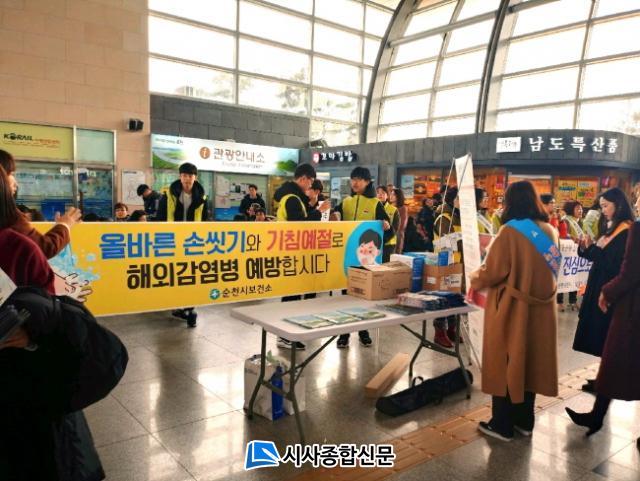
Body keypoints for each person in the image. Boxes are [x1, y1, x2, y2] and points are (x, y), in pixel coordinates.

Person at [0, 167, 105, 480]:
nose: (15, 183)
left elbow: (47, 316)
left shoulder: (16, 244)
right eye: (11, 177)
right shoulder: (17, 241)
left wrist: (30, 333)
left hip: (19, 380)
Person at [470, 180, 560, 442]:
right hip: (541, 312)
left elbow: (491, 272)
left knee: (505, 361)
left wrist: (473, 276)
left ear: (511, 202)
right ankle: (524, 422)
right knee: (529, 363)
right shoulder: (550, 230)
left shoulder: (509, 232)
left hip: (512, 309)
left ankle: (502, 425)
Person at [566, 195, 640, 439]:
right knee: (611, 360)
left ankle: (596, 416)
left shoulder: (632, 229)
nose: (637, 202)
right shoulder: (615, 228)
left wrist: (607, 291)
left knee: (613, 357)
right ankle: (596, 416)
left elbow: (628, 271)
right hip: (623, 298)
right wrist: (588, 248)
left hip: (630, 305)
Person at [571, 188, 634, 394]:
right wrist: (585, 247)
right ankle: (602, 380)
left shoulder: (626, 231)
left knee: (606, 336)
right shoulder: (610, 227)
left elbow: (614, 264)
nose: (603, 210)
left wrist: (593, 250)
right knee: (601, 337)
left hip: (608, 290)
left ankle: (606, 383)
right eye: (601, 206)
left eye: (606, 206)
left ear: (619, 205)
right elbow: (598, 257)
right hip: (598, 285)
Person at [274, 163, 331, 350]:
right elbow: (300, 225)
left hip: (292, 251)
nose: (310, 185)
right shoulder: (292, 198)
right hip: (291, 252)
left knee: (293, 294)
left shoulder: (293, 197)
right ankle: (284, 336)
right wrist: (319, 212)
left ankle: (287, 334)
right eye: (311, 181)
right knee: (290, 295)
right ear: (303, 178)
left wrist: (313, 207)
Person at [333, 166, 392, 349]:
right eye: (353, 179)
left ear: (367, 182)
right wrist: (334, 215)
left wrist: (386, 227)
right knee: (346, 296)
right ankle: (344, 334)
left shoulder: (375, 204)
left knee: (364, 297)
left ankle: (363, 331)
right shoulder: (346, 202)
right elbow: (333, 220)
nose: (355, 182)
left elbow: (388, 232)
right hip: (347, 258)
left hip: (366, 261)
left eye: (359, 179)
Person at [156, 162, 210, 327]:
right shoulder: (169, 194)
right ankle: (177, 303)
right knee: (175, 271)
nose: (187, 179)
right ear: (180, 177)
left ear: (195, 177)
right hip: (172, 239)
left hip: (193, 240)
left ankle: (189, 307)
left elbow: (205, 219)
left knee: (192, 272)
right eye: (184, 175)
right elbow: (160, 217)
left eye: (190, 176)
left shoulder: (202, 196)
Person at [0, 150, 81, 259]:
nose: (16, 183)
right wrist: (64, 225)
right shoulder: (8, 215)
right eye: (12, 174)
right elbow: (43, 249)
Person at [432, 186, 462, 348]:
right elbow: (445, 243)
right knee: (443, 299)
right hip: (445, 264)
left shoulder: (460, 216)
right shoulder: (444, 217)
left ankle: (452, 328)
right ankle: (439, 332)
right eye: (460, 198)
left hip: (458, 264)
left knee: (455, 299)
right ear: (453, 200)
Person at [558, 200, 584, 311]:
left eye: (581, 208)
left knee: (574, 277)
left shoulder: (579, 222)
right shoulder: (566, 220)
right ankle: (559, 302)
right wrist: (574, 239)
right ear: (570, 209)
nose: (580, 210)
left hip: (576, 254)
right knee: (562, 278)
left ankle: (572, 301)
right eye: (578, 208)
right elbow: (563, 234)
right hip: (566, 254)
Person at [376, 185, 399, 262]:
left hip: (388, 244)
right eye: (378, 193)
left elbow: (395, 228)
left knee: (386, 266)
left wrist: (383, 240)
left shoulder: (393, 210)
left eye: (383, 193)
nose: (380, 195)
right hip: (374, 243)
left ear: (387, 195)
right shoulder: (372, 208)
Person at [390, 188, 408, 254]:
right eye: (391, 194)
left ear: (398, 196)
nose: (391, 196)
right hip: (388, 234)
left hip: (397, 234)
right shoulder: (388, 207)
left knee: (396, 254)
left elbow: (402, 225)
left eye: (393, 194)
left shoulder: (403, 208)